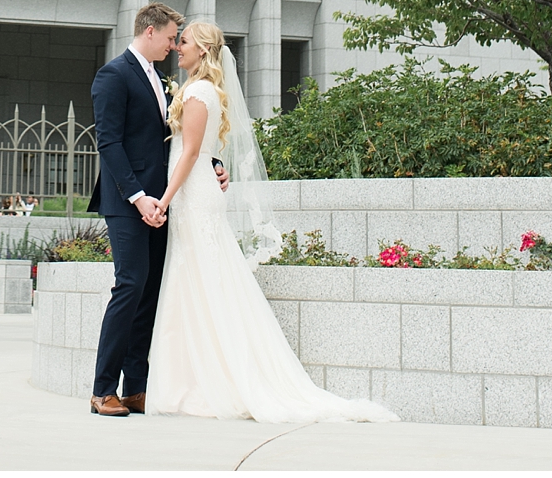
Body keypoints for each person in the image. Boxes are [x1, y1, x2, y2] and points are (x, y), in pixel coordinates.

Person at [144, 21, 397, 424]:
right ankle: (192, 377)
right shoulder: (202, 90)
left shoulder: (197, 91)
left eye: (185, 42)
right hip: (197, 192)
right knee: (198, 277)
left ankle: (207, 380)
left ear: (203, 50)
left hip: (193, 194)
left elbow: (190, 153)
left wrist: (164, 200)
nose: (178, 48)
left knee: (200, 278)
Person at [87, 1, 185, 417]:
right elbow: (108, 143)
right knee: (129, 285)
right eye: (170, 37)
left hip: (161, 203)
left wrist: (212, 166)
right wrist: (137, 196)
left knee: (148, 294)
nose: (174, 45)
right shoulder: (113, 75)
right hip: (129, 202)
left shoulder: (162, 80)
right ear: (149, 31)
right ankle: (102, 390)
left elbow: (174, 139)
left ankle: (135, 389)